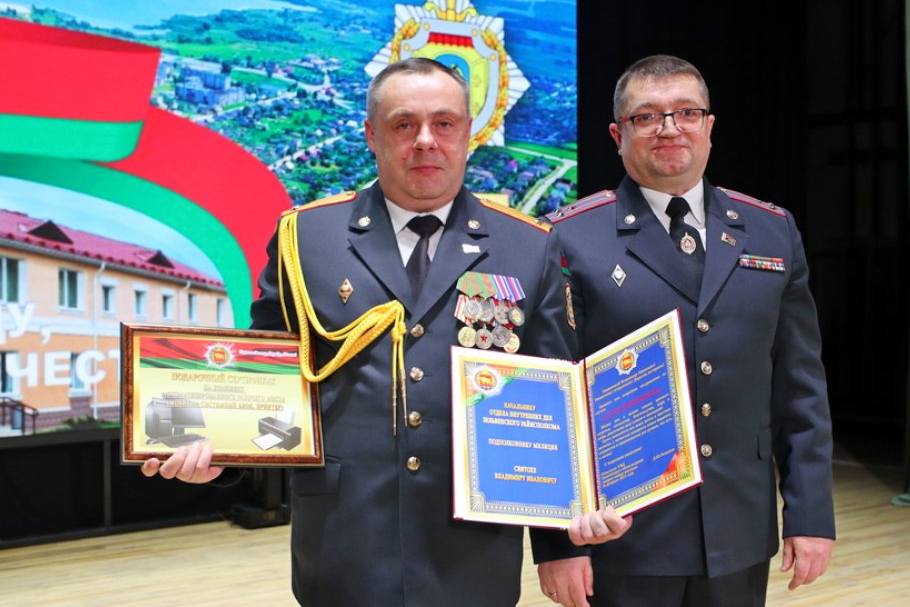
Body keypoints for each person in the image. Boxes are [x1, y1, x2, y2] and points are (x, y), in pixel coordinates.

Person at [141, 57, 628, 606]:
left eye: (444, 123)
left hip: (472, 547)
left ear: (469, 133)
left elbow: (552, 395)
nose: (425, 140)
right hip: (344, 537)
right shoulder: (307, 236)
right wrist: (220, 455)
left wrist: (560, 545)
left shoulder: (528, 245)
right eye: (403, 124)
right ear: (372, 134)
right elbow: (267, 374)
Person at [535, 54, 835, 607]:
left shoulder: (771, 231)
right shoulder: (567, 238)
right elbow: (549, 400)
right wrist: (558, 544)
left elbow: (800, 388)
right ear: (618, 135)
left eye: (686, 113)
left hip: (738, 528)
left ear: (709, 126)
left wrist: (810, 513)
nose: (670, 128)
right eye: (647, 116)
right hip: (622, 537)